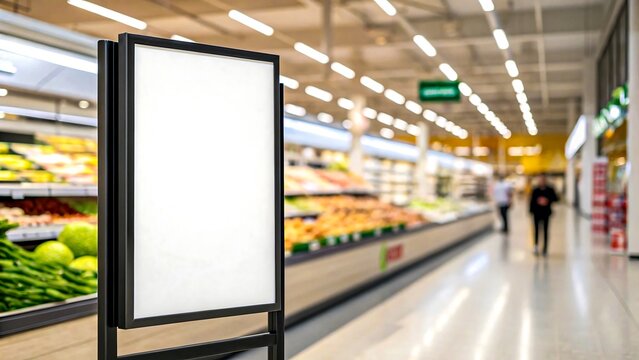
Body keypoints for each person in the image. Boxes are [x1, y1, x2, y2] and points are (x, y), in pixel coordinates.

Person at [529, 174, 558, 256]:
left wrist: (547, 200)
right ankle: (536, 246)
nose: (541, 181)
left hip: (546, 213)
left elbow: (555, 198)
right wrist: (531, 211)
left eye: (543, 180)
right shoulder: (535, 190)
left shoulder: (550, 189)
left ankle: (545, 248)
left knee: (545, 231)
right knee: (536, 230)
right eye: (540, 180)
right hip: (536, 213)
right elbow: (531, 201)